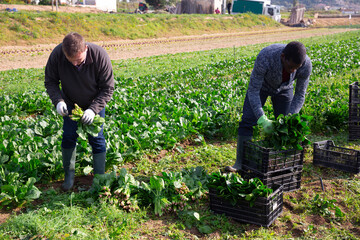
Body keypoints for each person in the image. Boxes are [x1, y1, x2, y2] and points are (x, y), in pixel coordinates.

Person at [225, 41, 312, 172]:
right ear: (283, 57)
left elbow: (300, 94)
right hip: (262, 87)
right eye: (290, 67)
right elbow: (253, 90)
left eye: (296, 68)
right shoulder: (266, 57)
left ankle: (280, 163)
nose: (293, 71)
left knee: (285, 127)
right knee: (247, 120)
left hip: (285, 88)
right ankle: (240, 163)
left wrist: (290, 116)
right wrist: (262, 118)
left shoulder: (305, 65)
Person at [45, 32, 114, 191]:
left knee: (97, 137)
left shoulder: (100, 56)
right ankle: (69, 177)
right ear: (64, 53)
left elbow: (108, 88)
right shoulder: (57, 55)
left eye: (79, 60)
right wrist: (58, 101)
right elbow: (51, 81)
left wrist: (93, 109)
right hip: (69, 103)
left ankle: (99, 179)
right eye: (71, 61)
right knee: (69, 136)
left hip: (95, 102)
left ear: (86, 49)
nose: (76, 64)